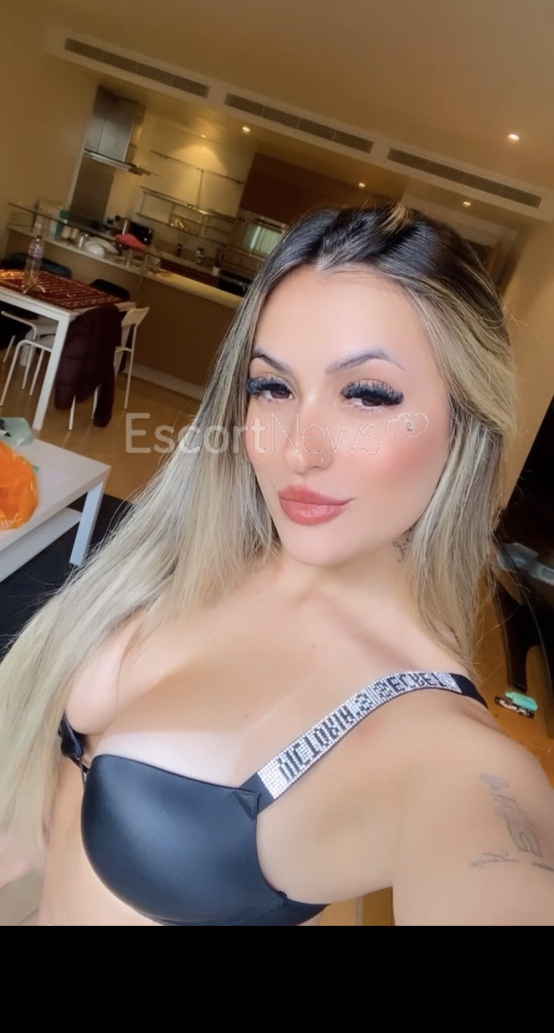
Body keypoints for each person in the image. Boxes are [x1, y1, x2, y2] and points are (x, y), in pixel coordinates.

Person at [1, 201, 554, 926]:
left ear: (465, 425)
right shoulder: (195, 550)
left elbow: (493, 853)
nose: (298, 449)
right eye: (273, 387)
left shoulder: (437, 744)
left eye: (367, 395)